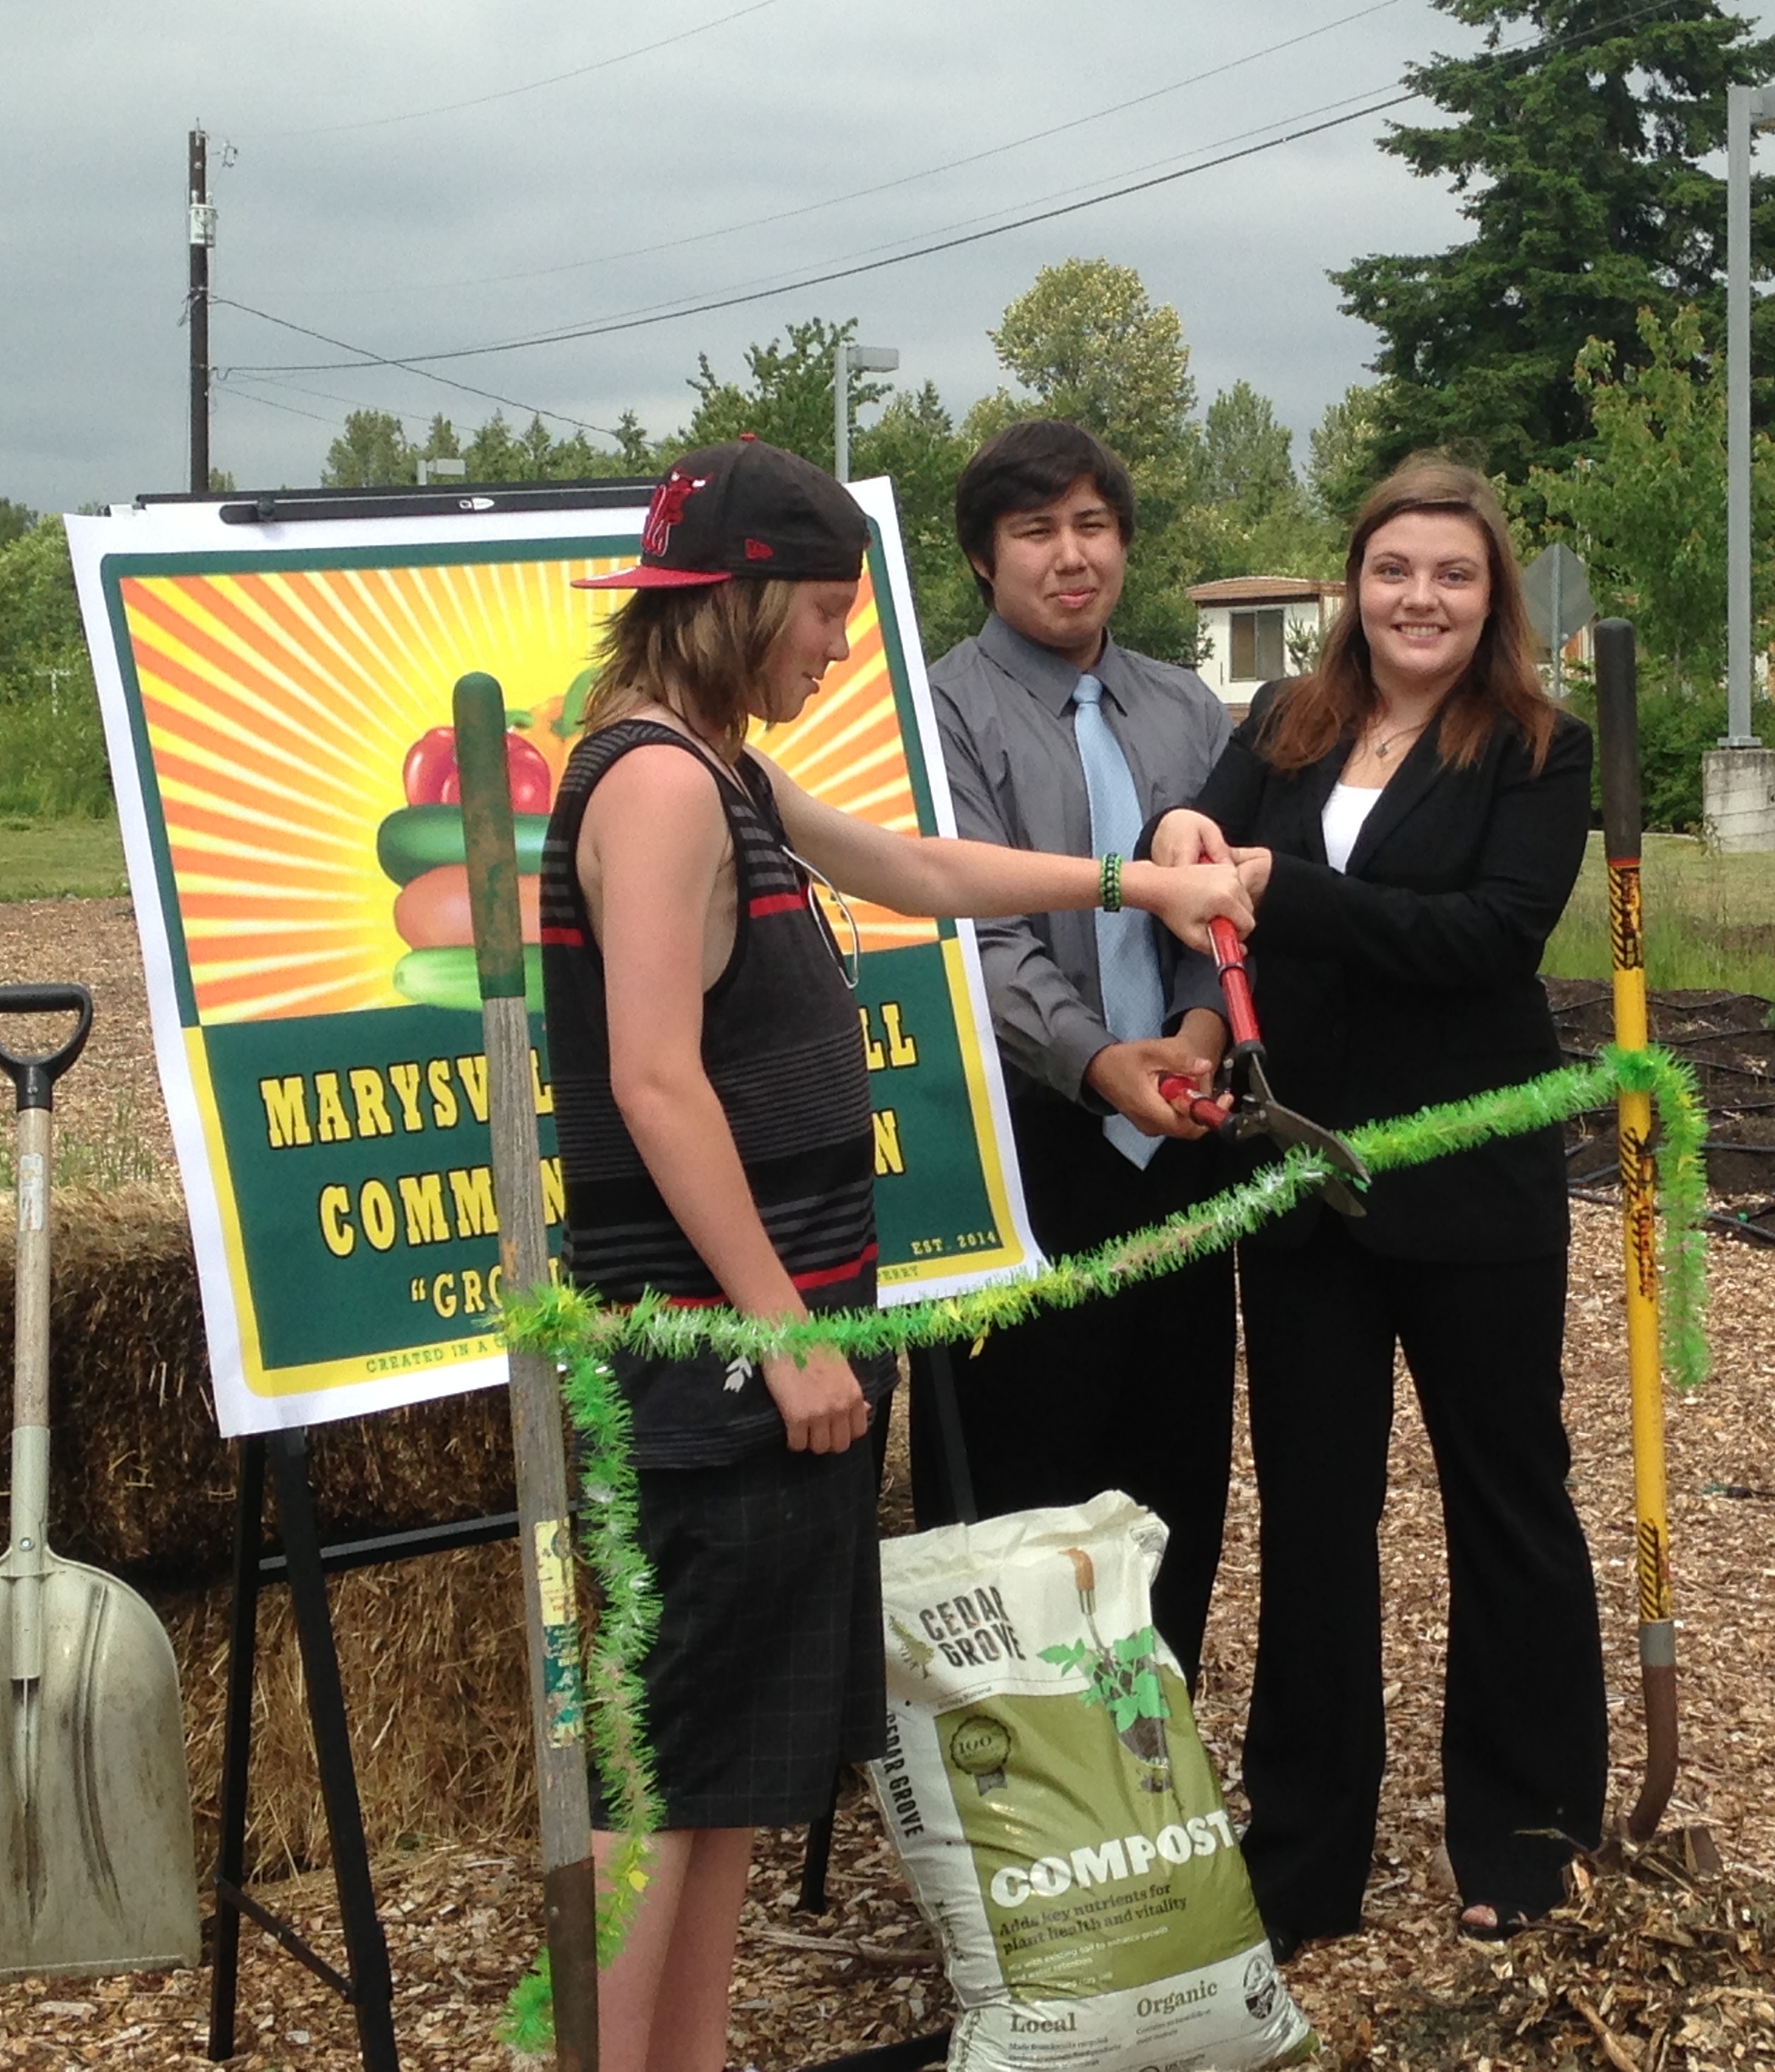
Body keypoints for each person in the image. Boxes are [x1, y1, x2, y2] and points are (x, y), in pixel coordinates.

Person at [543, 435, 1251, 2072]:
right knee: (688, 1772)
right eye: (825, 614)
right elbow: (654, 1079)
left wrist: (1132, 876)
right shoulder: (656, 786)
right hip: (716, 1357)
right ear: (746, 597)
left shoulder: (712, 764)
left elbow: (922, 871)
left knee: (727, 1781)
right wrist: (788, 1334)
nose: (841, 647)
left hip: (762, 1334)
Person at [1149, 457, 1602, 1952]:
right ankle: (1305, 1851)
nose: (1421, 598)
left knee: (1507, 1497)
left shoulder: (1540, 748)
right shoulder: (1285, 724)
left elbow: (1490, 937)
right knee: (1316, 1514)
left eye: (1453, 576)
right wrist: (1183, 851)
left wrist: (1284, 892)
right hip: (1298, 1174)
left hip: (1469, 1178)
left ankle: (1528, 1833)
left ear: (1494, 598)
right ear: (1354, 585)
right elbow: (1194, 846)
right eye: (1395, 570)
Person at [920, 420, 1237, 1676]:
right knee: (1023, 1473)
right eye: (1036, 530)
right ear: (983, 559)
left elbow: (1223, 912)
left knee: (1178, 1469)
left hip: (1184, 1135)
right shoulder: (942, 709)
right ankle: (1027, 1798)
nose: (1071, 556)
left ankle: (1155, 1769)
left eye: (1093, 526)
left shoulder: (1185, 708)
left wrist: (1201, 1034)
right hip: (1022, 1143)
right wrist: (1105, 1062)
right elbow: (976, 934)